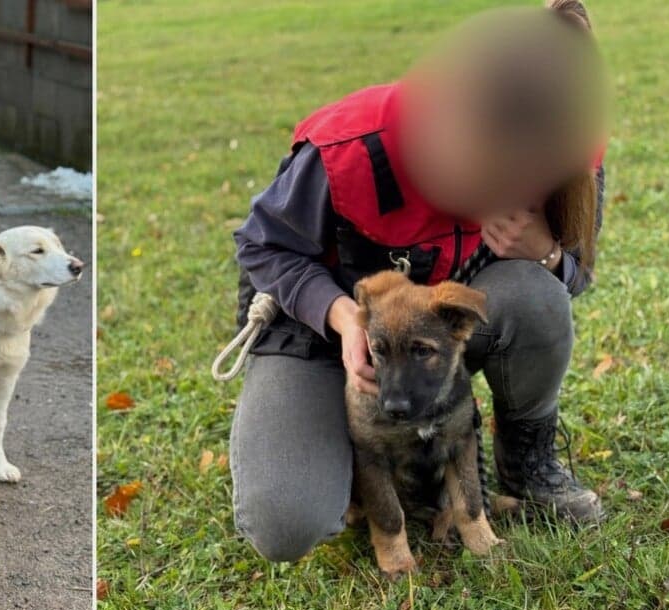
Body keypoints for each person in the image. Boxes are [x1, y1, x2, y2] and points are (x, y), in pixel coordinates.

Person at [230, 1, 608, 563]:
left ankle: (526, 462)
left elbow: (574, 278)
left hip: (432, 336)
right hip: (316, 329)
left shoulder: (567, 144)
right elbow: (262, 245)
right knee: (288, 520)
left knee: (538, 298)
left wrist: (545, 252)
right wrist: (342, 317)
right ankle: (337, 453)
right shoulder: (352, 146)